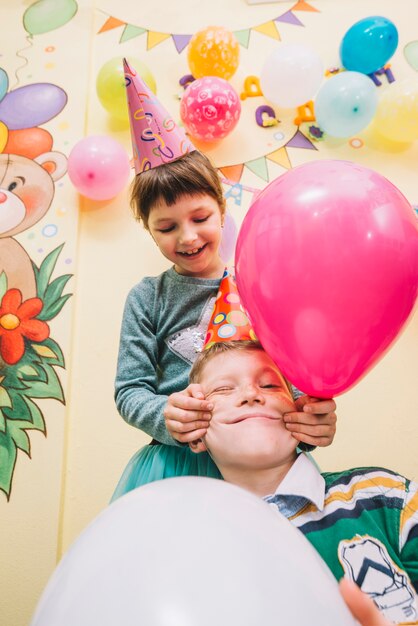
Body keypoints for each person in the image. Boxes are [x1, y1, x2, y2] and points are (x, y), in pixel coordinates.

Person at [112, 59, 337, 499]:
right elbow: (129, 390)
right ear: (148, 229)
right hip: (176, 469)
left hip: (268, 462)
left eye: (200, 217)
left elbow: (293, 382)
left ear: (222, 208)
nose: (188, 236)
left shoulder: (263, 288)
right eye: (167, 227)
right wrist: (167, 416)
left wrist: (310, 421)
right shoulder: (148, 297)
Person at [188, 340, 418, 625]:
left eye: (270, 386)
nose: (250, 394)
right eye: (223, 389)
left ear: (299, 410)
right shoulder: (197, 549)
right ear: (194, 430)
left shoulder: (384, 495)